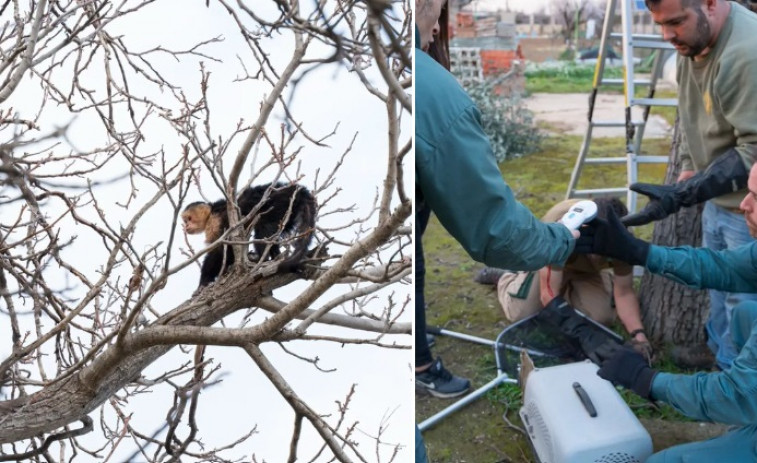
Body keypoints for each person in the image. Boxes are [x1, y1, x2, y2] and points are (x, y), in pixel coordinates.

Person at [414, 0, 576, 399]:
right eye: (436, 10)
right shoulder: (432, 91)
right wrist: (566, 239)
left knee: (411, 264)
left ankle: (414, 343)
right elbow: (494, 229)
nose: (437, 29)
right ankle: (418, 363)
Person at [575, 163, 757, 462]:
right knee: (745, 315)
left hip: (743, 396)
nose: (743, 205)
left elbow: (736, 393)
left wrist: (646, 379)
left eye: (756, 197)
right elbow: (723, 267)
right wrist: (638, 252)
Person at [620, 0, 757, 370]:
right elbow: (691, 113)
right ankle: (718, 353)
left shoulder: (747, 52)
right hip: (718, 198)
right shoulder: (692, 42)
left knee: (743, 303)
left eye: (676, 22)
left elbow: (755, 147)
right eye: (660, 24)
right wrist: (686, 169)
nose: (667, 36)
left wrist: (686, 193)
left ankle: (736, 385)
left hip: (750, 209)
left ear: (711, 4)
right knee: (717, 289)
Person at [479, 198, 652, 359]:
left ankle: (572, 287)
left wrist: (639, 336)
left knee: (600, 320)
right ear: (585, 228)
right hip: (548, 261)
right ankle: (506, 278)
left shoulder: (623, 242)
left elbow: (624, 292)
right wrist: (581, 331)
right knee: (522, 314)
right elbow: (549, 294)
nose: (597, 254)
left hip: (585, 271)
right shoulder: (561, 227)